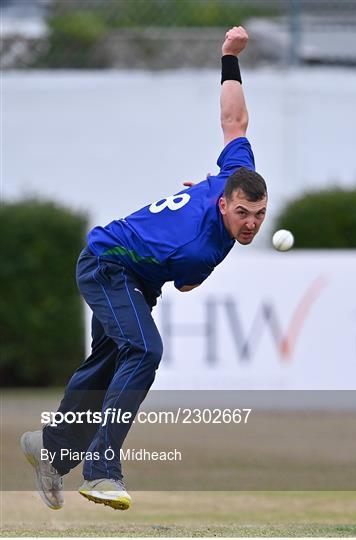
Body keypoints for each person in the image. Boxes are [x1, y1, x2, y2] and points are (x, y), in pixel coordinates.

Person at [21, 26, 267, 511]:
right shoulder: (202, 247)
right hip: (107, 264)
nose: (251, 224)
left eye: (259, 215)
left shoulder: (229, 176)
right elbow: (189, 278)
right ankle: (102, 471)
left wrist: (229, 58)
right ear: (223, 204)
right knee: (144, 348)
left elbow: (234, 122)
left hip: (128, 275)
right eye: (242, 214)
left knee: (105, 367)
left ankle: (48, 450)